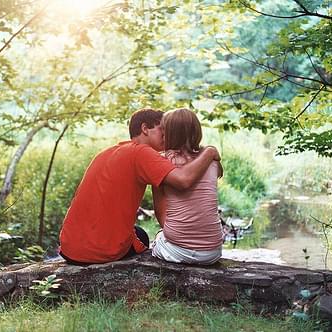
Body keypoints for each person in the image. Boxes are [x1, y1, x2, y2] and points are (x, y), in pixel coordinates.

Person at [59, 108, 221, 265]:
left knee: (139, 232)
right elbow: (183, 180)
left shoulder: (107, 152)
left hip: (71, 247)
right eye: (161, 130)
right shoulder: (142, 153)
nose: (166, 135)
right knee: (142, 237)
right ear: (145, 129)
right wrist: (209, 152)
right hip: (99, 251)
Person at [152, 108, 223, 265]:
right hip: (212, 252)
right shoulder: (212, 161)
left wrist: (177, 234)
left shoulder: (160, 161)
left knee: (157, 238)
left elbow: (160, 212)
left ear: (168, 133)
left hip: (177, 250)